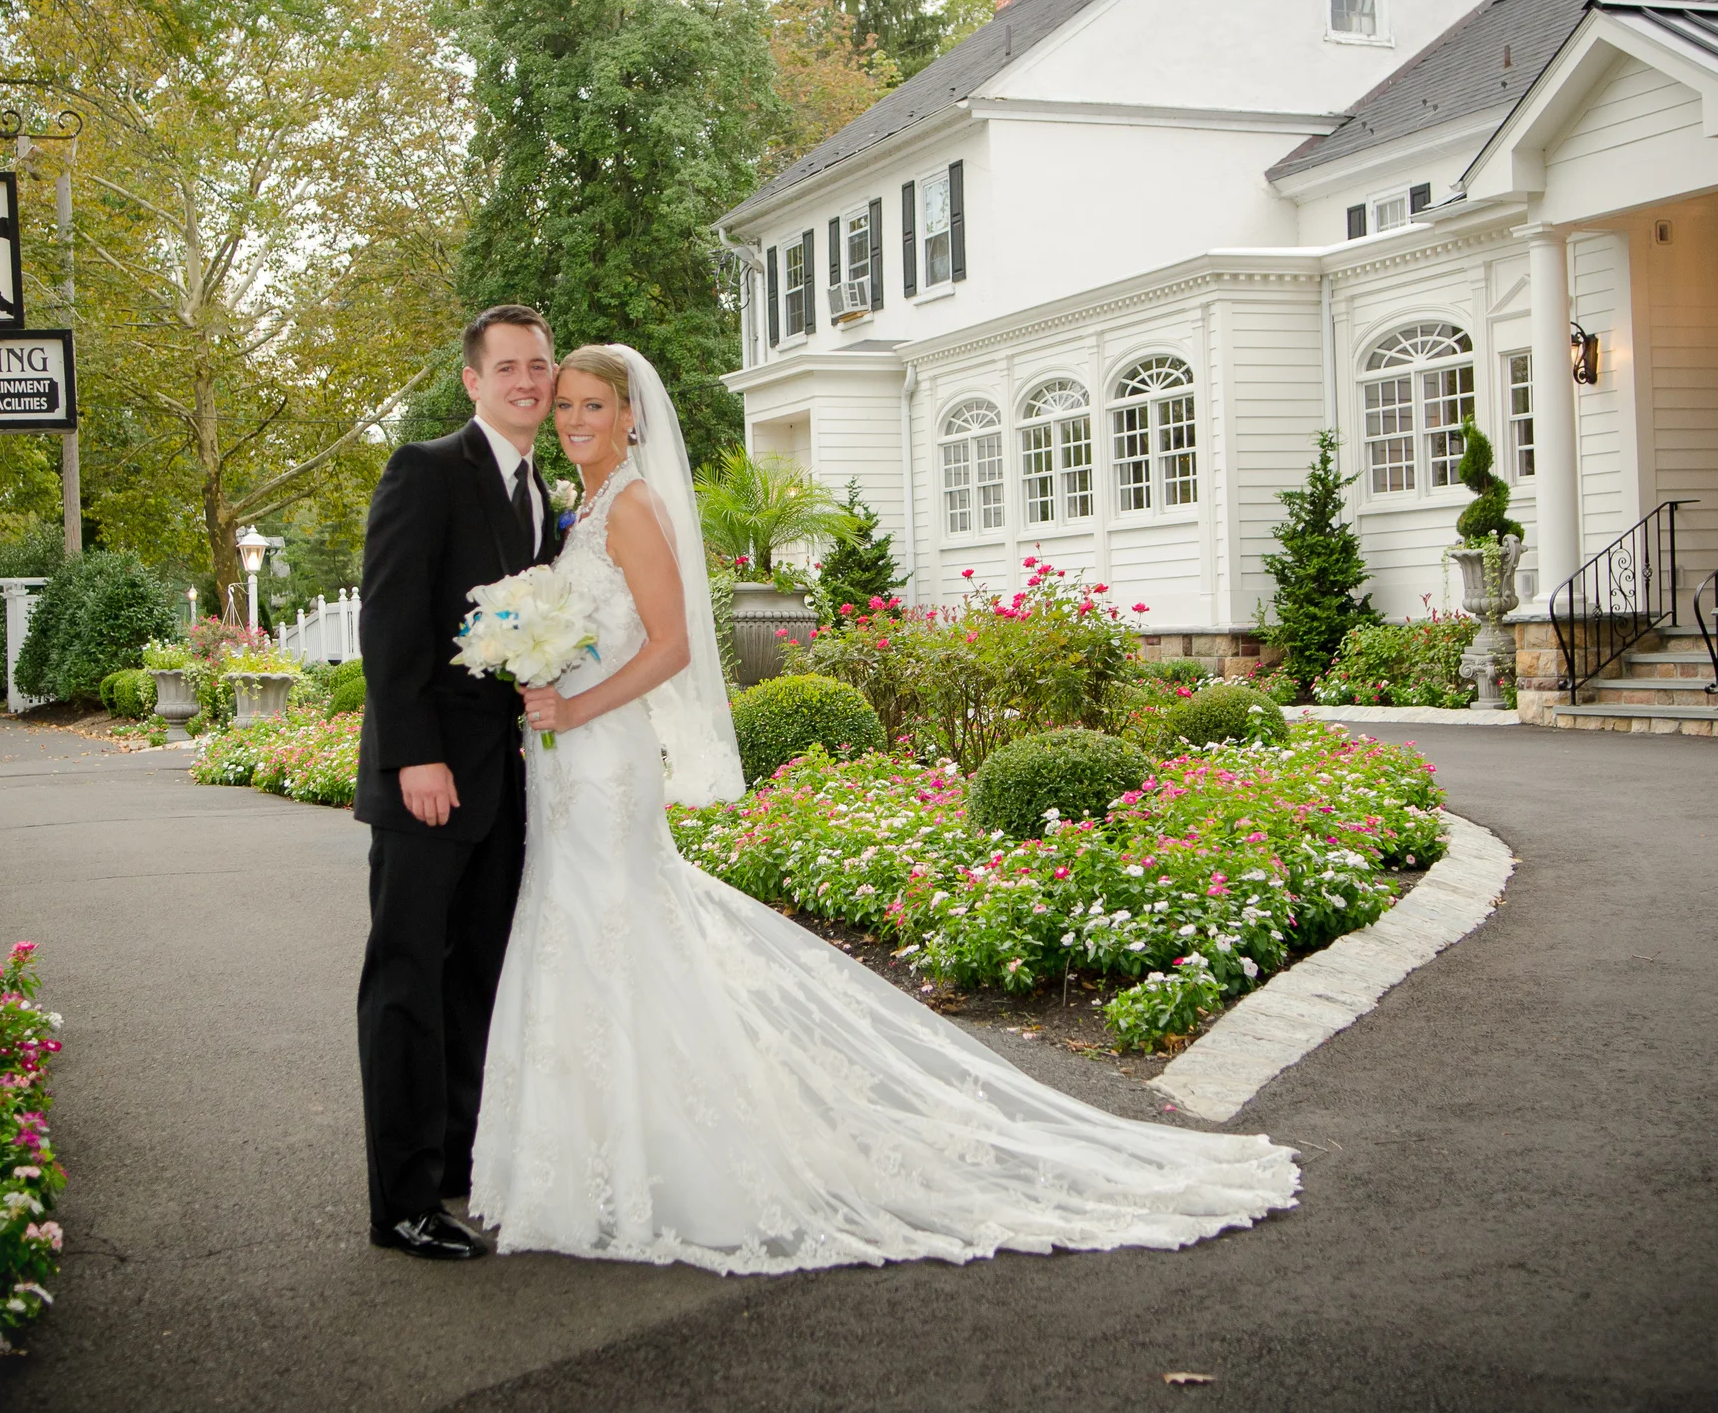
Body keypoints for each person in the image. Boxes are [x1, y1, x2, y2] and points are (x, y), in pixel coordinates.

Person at [473, 344, 1299, 1274]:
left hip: (601, 753)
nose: (576, 420)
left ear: (632, 418)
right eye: (568, 407)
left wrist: (574, 701)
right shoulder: (581, 509)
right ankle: (591, 1158)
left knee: (615, 927)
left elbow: (668, 649)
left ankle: (643, 1161)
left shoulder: (631, 509)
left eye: (594, 406)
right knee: (577, 931)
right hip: (563, 758)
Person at [353, 304, 564, 1261]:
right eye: (509, 366)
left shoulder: (539, 491)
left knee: (476, 976)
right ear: (472, 381)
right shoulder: (428, 470)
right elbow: (392, 624)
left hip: (505, 782)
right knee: (407, 980)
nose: (529, 380)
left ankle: (454, 1168)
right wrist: (412, 755)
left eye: (541, 365)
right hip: (428, 777)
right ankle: (400, 1202)